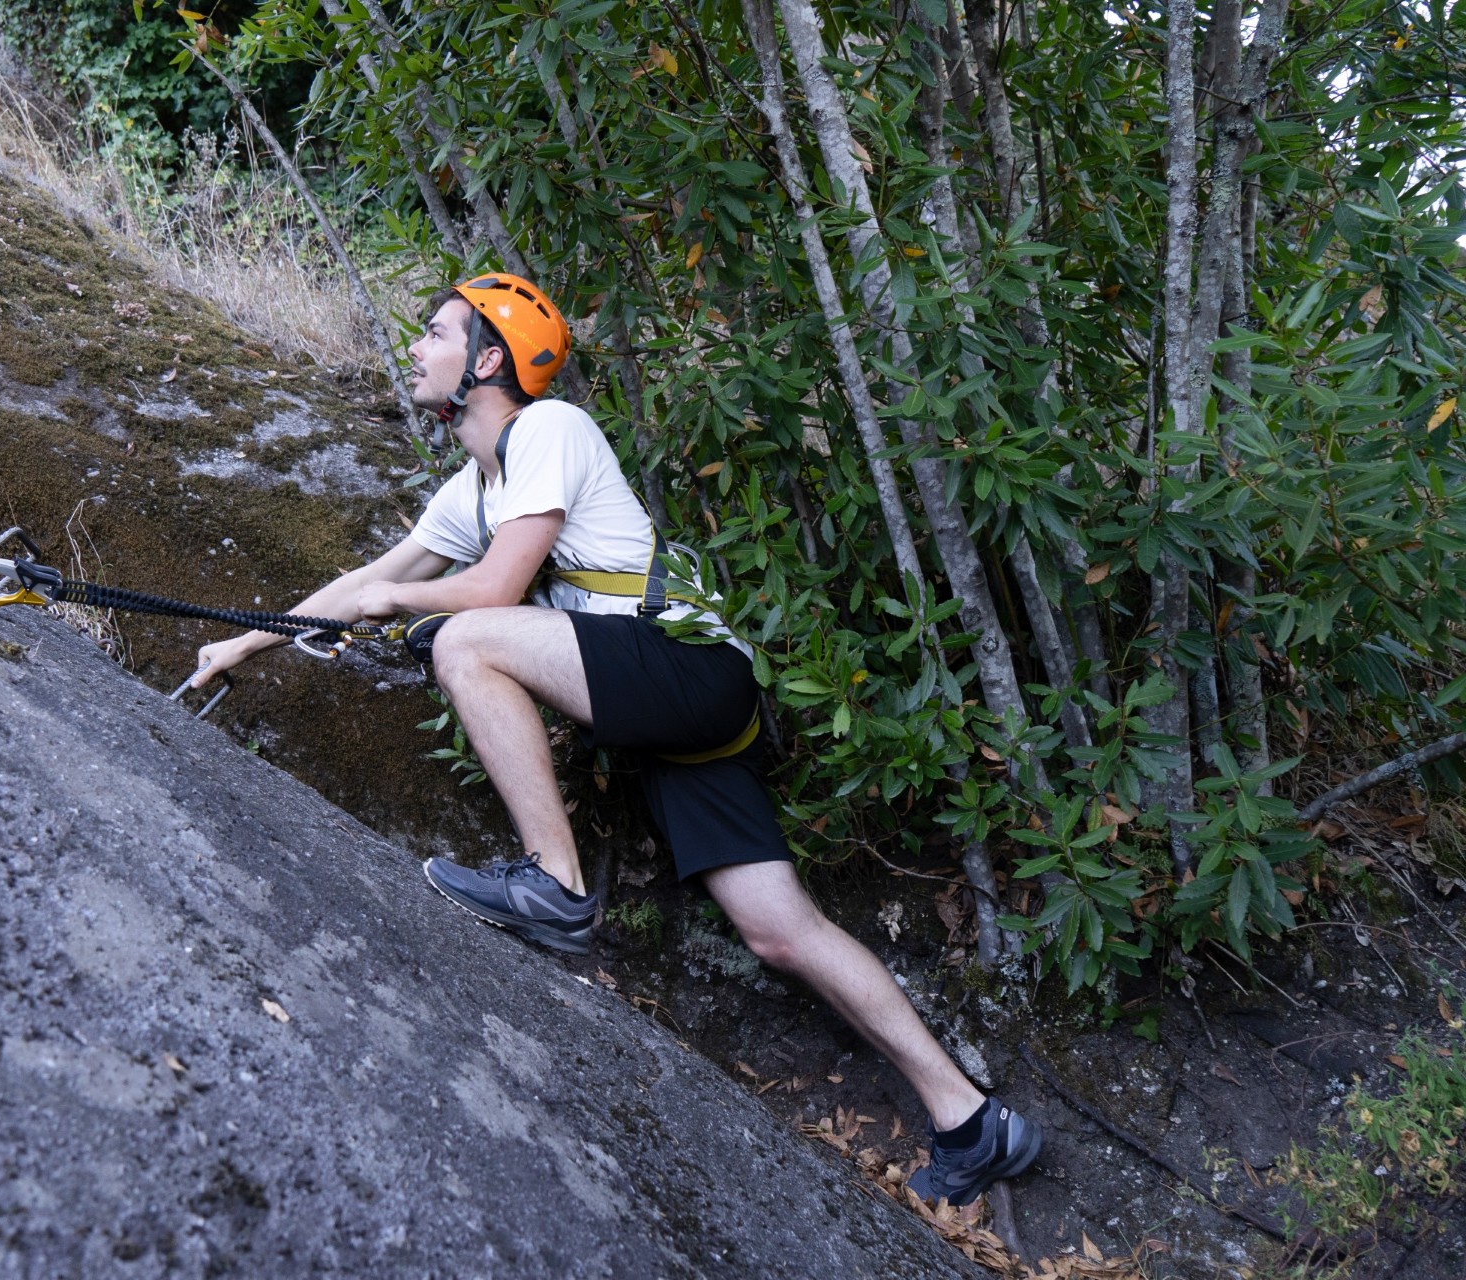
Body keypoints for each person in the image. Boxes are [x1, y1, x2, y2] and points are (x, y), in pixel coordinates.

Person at [188, 273, 1041, 1207]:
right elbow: (365, 581)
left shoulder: (548, 430)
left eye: (434, 333)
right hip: (679, 715)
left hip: (686, 669)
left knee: (463, 640)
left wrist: (397, 602)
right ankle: (973, 1118)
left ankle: (553, 882)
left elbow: (488, 593)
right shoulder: (476, 488)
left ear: (487, 360)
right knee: (779, 932)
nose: (415, 347)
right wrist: (241, 643)